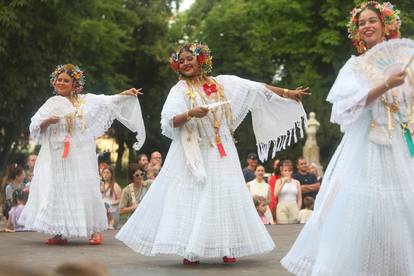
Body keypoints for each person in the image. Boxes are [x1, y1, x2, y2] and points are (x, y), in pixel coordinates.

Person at [116, 42, 309, 264]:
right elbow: (169, 121)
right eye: (182, 60)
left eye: (190, 58)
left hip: (222, 149)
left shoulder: (223, 83)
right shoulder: (179, 90)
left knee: (226, 195)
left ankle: (229, 247)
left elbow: (257, 87)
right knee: (194, 198)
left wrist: (287, 93)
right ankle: (192, 251)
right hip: (193, 151)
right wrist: (190, 113)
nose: (186, 63)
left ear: (201, 60)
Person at [282, 2, 414, 275]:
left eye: (372, 20)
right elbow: (342, 109)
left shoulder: (403, 64)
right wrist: (384, 85)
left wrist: (401, 78)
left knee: (399, 212)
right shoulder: (355, 66)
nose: (366, 26)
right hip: (364, 147)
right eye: (361, 23)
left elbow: (407, 106)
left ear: (385, 24)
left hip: (399, 146)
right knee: (360, 210)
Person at [19, 64, 145, 245]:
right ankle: (59, 232)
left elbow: (107, 101)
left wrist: (125, 93)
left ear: (75, 83)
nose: (61, 83)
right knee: (58, 190)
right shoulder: (51, 103)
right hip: (57, 156)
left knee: (85, 188)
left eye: (66, 80)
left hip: (80, 153)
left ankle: (94, 231)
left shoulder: (86, 100)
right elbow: (34, 127)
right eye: (59, 79)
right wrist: (47, 121)